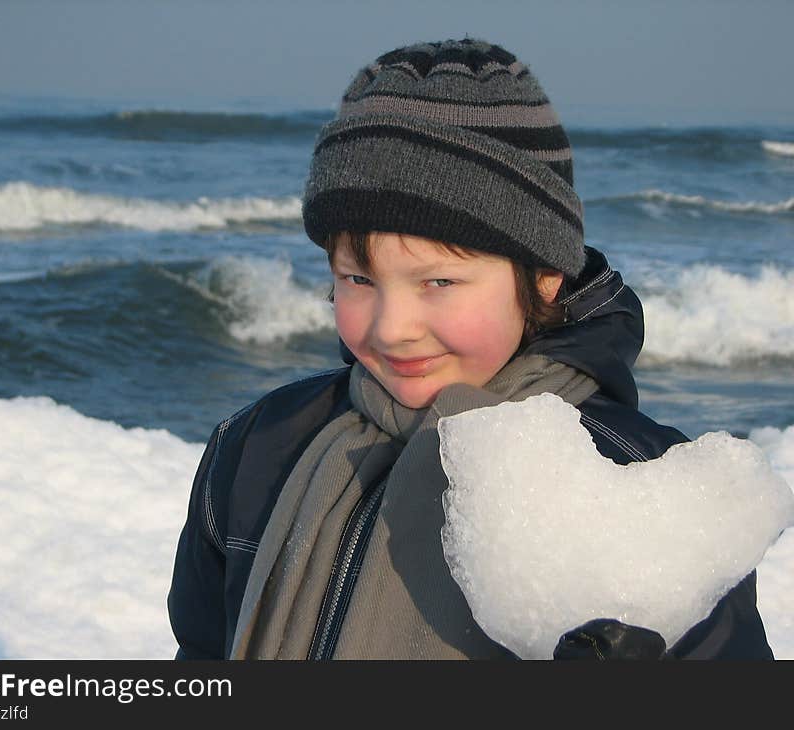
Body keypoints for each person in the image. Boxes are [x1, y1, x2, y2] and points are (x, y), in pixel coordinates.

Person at [168, 39, 773, 659]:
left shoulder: (640, 478)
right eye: (359, 279)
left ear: (544, 276)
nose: (392, 327)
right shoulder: (258, 445)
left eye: (439, 282)